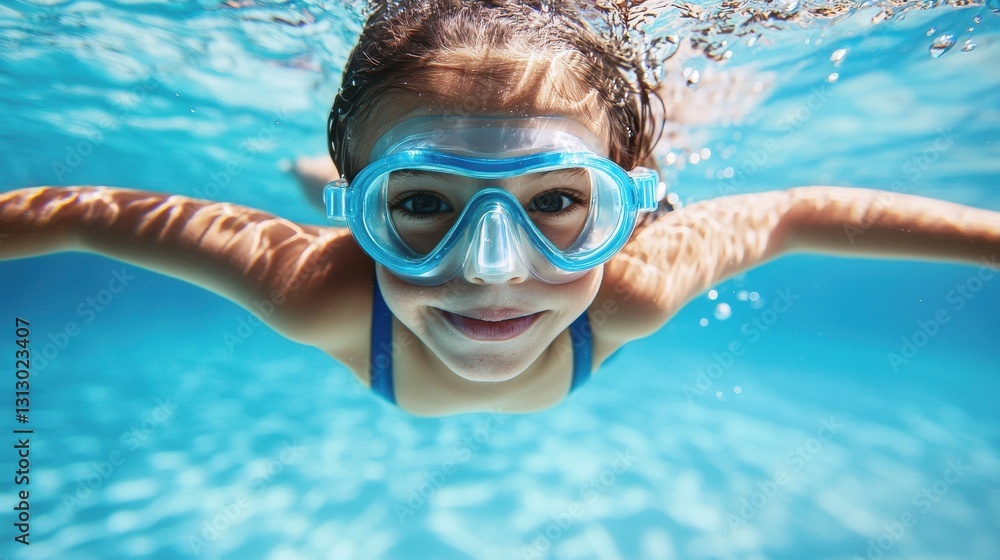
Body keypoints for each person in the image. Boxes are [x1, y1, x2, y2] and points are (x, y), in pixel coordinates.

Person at [1, 0, 997, 416]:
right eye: (422, 204)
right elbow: (84, 212)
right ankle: (335, 183)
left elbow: (795, 212)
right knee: (332, 194)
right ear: (367, 214)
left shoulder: (634, 283)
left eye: (558, 202)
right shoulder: (317, 288)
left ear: (627, 208)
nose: (489, 267)